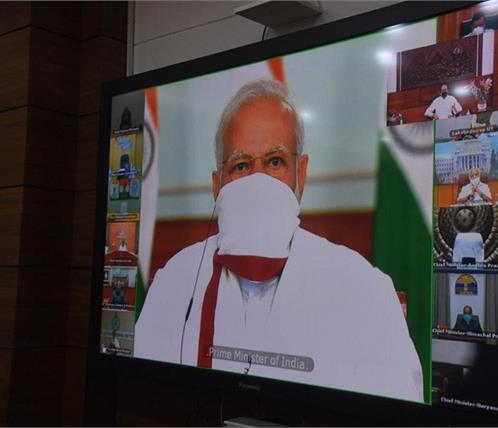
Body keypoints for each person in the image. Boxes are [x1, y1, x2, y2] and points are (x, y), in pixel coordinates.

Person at [134, 79, 424, 402]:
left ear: (301, 173)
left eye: (274, 161)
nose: (258, 180)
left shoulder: (365, 290)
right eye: (241, 165)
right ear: (217, 186)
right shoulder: (174, 284)